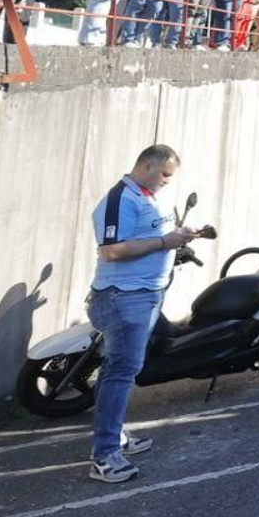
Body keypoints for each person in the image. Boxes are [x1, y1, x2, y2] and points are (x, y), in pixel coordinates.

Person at [86, 144, 197, 483]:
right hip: (124, 299)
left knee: (118, 367)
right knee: (122, 370)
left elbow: (150, 236)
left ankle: (114, 435)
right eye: (165, 174)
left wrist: (177, 238)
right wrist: (165, 243)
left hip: (144, 296)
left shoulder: (146, 196)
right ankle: (104, 456)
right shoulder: (122, 199)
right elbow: (111, 251)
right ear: (146, 166)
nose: (167, 181)